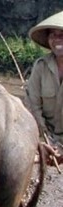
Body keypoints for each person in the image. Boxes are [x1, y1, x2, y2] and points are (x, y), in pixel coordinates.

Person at [25, 10, 63, 164]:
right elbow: (33, 106)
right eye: (53, 35)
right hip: (47, 138)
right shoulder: (41, 66)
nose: (57, 39)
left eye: (62, 34)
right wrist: (44, 141)